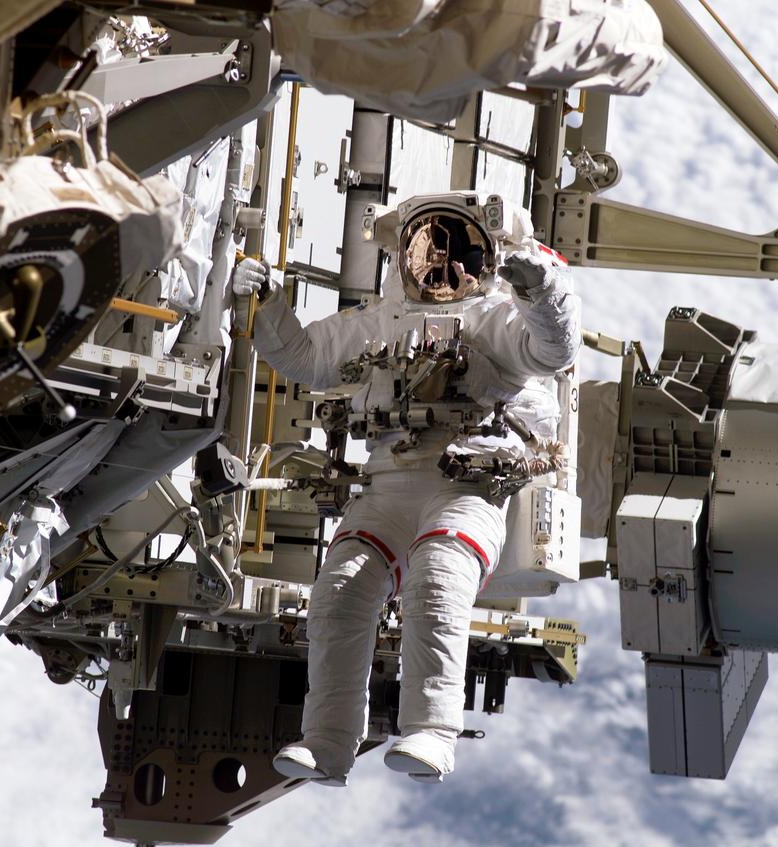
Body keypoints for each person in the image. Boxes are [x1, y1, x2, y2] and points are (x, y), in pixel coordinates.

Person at [231, 199, 580, 784]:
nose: (441, 266)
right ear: (406, 255)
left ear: (485, 258)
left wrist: (540, 292)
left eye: (458, 252)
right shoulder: (376, 321)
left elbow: (554, 349)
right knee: (339, 593)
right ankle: (328, 742)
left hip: (470, 484)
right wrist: (266, 301)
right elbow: (302, 356)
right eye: (428, 249)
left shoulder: (497, 317)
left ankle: (432, 733)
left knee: (438, 579)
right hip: (389, 482)